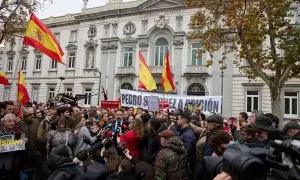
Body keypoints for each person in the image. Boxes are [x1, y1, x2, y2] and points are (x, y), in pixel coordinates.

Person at [0, 114, 26, 180]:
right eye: (9, 121)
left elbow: (21, 143)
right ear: (3, 122)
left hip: (11, 162)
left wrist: (23, 140)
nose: (12, 123)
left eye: (14, 121)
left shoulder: (17, 131)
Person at [18, 107, 40, 179]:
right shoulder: (19, 123)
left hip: (33, 150)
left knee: (32, 170)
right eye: (31, 114)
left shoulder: (36, 121)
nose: (33, 115)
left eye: (33, 113)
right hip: (22, 151)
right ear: (25, 115)